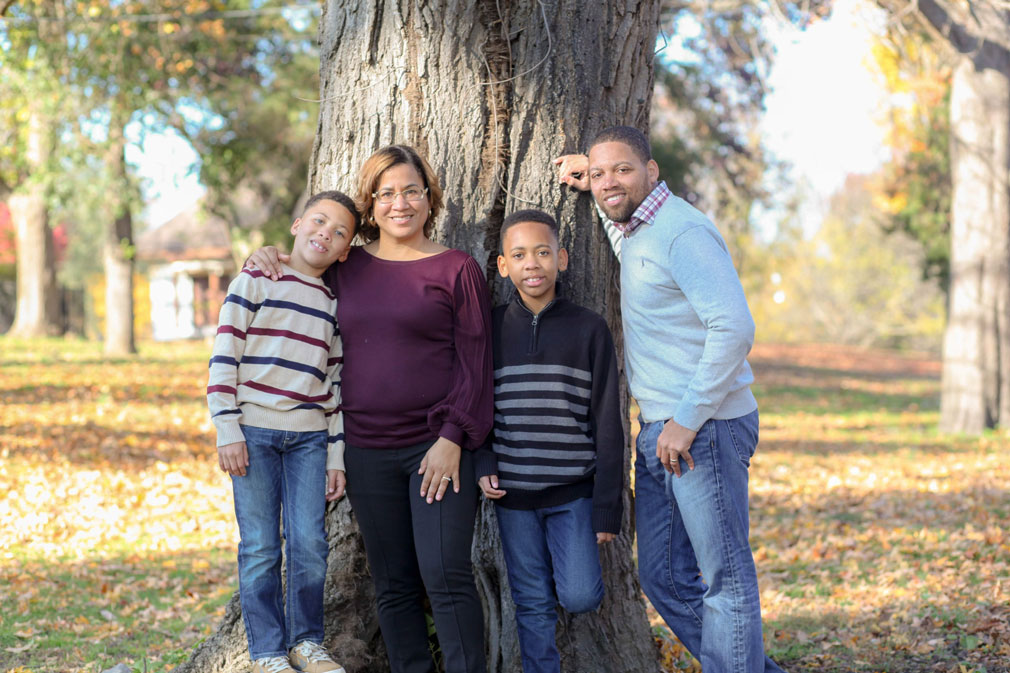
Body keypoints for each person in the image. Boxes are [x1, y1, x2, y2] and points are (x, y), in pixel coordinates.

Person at [246, 145, 493, 673]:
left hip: (437, 449)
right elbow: (296, 276)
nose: (399, 203)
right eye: (385, 194)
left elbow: (476, 366)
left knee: (446, 574)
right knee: (394, 584)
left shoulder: (457, 269)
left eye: (410, 191)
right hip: (364, 451)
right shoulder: (346, 264)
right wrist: (268, 253)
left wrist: (453, 439)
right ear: (371, 204)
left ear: (429, 198)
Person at [555, 126, 786, 673]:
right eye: (601, 170)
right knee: (664, 578)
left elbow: (733, 328)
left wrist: (685, 420)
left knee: (725, 579)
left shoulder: (681, 232)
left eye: (624, 170)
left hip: (702, 428)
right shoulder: (638, 230)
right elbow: (624, 234)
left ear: (652, 172)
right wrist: (592, 182)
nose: (611, 181)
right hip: (662, 429)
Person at [208, 191, 358, 673]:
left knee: (310, 543)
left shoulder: (335, 302)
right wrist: (227, 427)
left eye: (339, 232)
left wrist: (336, 457)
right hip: (253, 432)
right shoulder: (255, 278)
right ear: (296, 224)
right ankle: (268, 652)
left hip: (310, 439)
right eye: (319, 221)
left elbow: (334, 386)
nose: (325, 234)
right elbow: (224, 355)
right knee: (259, 547)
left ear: (346, 251)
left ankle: (306, 642)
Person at [474, 209, 623, 673]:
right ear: (503, 266)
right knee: (531, 602)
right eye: (518, 255)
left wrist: (607, 505)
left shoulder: (588, 328)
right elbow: (475, 405)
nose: (531, 264)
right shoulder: (491, 329)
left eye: (542, 252)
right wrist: (483, 460)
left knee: (579, 595)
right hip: (513, 496)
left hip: (573, 494)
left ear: (560, 258)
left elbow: (609, 422)